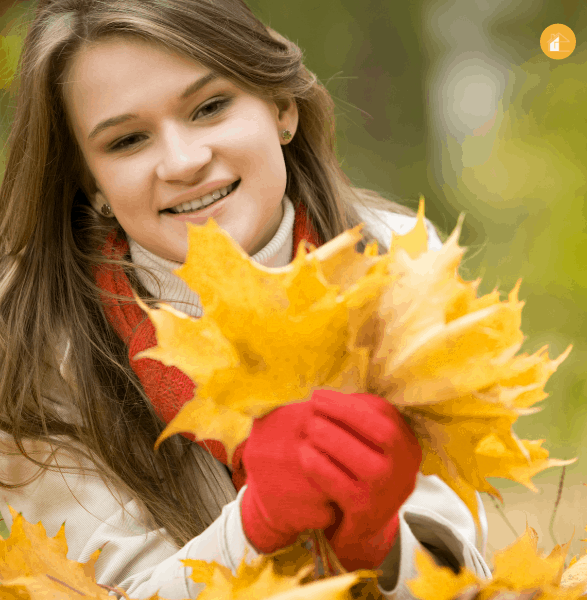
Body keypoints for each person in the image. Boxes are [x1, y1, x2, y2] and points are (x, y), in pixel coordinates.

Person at [0, 0, 492, 598]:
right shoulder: (33, 344)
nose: (184, 161)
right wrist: (254, 528)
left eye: (210, 107)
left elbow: (469, 575)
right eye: (128, 140)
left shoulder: (398, 260)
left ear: (282, 108)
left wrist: (380, 545)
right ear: (90, 182)